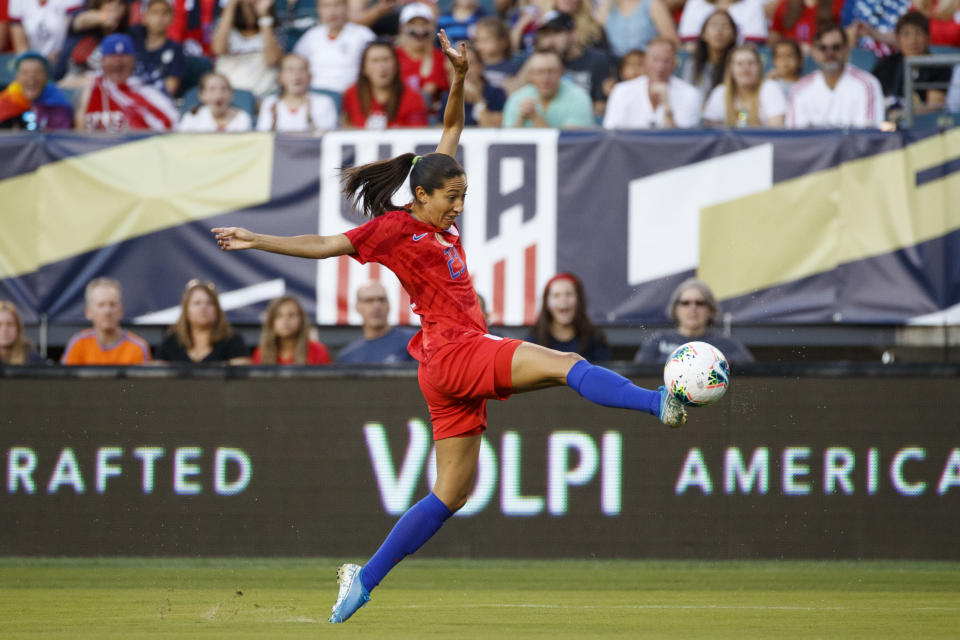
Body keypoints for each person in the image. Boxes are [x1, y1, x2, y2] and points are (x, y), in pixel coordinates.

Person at [212, 29, 687, 625]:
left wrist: (460, 78)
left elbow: (451, 132)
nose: (459, 206)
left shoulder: (435, 206)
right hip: (454, 350)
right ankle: (658, 403)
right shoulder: (390, 229)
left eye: (463, 195)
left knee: (451, 495)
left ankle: (364, 578)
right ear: (422, 194)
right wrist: (258, 238)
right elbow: (323, 243)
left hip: (440, 371)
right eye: (452, 198)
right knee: (566, 365)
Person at [634, 278, 754, 364]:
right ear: (675, 309)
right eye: (685, 303)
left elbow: (750, 379)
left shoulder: (728, 345)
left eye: (700, 303)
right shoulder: (656, 342)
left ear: (711, 310)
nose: (693, 308)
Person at [787, 23, 885, 128]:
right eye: (822, 48)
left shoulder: (867, 84)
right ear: (813, 52)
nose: (830, 53)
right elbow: (796, 138)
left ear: (847, 49)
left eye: (836, 47)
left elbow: (867, 137)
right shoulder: (799, 89)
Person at [74, 32, 178, 131]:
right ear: (102, 60)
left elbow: (170, 124)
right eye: (112, 56)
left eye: (123, 56)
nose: (118, 61)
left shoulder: (146, 92)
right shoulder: (90, 86)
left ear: (133, 60)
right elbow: (78, 130)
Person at [603, 37, 702, 128]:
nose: (660, 67)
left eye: (666, 61)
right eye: (655, 60)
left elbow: (685, 140)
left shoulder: (690, 94)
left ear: (674, 64)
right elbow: (611, 134)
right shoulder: (622, 91)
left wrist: (666, 105)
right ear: (645, 62)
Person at [534, 10, 616, 117]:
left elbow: (601, 106)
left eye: (556, 33)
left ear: (573, 34)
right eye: (546, 35)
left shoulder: (597, 60)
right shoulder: (542, 62)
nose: (550, 41)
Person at [871, 11, 951, 120]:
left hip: (924, 128)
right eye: (906, 34)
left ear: (928, 38)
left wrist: (903, 114)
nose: (913, 40)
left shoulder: (939, 67)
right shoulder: (886, 64)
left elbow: (935, 107)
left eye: (918, 33)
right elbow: (873, 97)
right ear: (898, 39)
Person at [154, 279, 251, 364]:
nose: (203, 308)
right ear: (186, 310)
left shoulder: (232, 340)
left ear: (217, 309)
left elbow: (242, 378)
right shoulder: (172, 341)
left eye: (209, 303)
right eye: (197, 303)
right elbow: (156, 377)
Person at [61, 278, 151, 365]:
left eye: (113, 304)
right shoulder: (78, 344)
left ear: (121, 311)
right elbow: (65, 379)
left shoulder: (138, 347)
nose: (107, 311)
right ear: (88, 312)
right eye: (101, 305)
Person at [341, 39, 430, 128]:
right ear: (364, 68)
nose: (381, 67)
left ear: (396, 65)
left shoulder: (413, 98)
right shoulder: (351, 95)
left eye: (386, 60)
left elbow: (417, 134)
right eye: (375, 61)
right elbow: (345, 131)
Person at [293, 0, 375, 94]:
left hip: (351, 95)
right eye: (326, 6)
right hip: (316, 96)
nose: (332, 11)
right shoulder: (311, 36)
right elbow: (296, 62)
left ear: (346, 7)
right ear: (319, 9)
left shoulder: (363, 34)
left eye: (337, 5)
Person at [526, 272, 610, 361]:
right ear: (547, 303)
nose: (563, 300)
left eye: (569, 294)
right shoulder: (533, 342)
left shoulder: (595, 338)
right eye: (556, 295)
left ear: (579, 300)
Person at [501, 49, 594, 128]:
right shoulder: (517, 98)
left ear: (561, 72)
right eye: (539, 72)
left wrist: (535, 117)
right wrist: (520, 119)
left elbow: (569, 144)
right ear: (530, 75)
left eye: (551, 71)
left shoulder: (578, 97)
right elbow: (507, 143)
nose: (545, 78)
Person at [211, 0, 283, 100]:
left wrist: (265, 16)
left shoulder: (272, 28)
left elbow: (273, 59)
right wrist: (231, 5)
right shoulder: (225, 26)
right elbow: (218, 49)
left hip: (262, 97)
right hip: (228, 98)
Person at [702, 44, 787, 126]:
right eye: (739, 64)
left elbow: (776, 128)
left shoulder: (770, 88)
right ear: (731, 69)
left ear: (759, 67)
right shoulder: (721, 91)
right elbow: (710, 130)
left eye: (751, 63)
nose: (745, 69)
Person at [336, 280, 417, 363]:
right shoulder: (348, 356)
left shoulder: (413, 341)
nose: (376, 306)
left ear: (389, 305)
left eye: (381, 300)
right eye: (369, 300)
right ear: (357, 307)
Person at [53, 0, 129, 85]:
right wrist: (105, 17)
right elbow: (80, 21)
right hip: (66, 84)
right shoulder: (86, 28)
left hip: (102, 89)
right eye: (109, 2)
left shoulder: (125, 37)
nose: (114, 7)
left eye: (120, 4)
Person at [257, 53, 339, 131]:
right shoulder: (270, 103)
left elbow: (327, 139)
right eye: (290, 70)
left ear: (309, 76)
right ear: (280, 77)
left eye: (302, 69)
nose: (297, 75)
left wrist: (310, 120)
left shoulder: (324, 102)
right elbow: (261, 139)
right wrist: (273, 123)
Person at [394, 3, 449, 116]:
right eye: (413, 24)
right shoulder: (393, 56)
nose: (419, 30)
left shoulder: (440, 57)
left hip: (430, 118)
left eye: (424, 24)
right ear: (401, 28)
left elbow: (432, 89)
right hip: (398, 115)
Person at [0, 51, 73, 129]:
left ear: (46, 77)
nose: (31, 77)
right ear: (17, 78)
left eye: (37, 72)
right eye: (25, 73)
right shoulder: (7, 101)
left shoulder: (57, 105)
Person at [438, 41, 505, 126]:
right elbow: (443, 133)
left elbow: (493, 130)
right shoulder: (447, 98)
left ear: (480, 67)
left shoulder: (496, 94)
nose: (464, 70)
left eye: (470, 63)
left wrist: (478, 101)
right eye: (458, 65)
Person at [252, 296, 332, 364]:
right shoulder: (260, 354)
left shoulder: (318, 351)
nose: (285, 320)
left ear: (301, 320)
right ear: (271, 321)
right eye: (279, 316)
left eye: (291, 315)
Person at [680, 8, 738, 103]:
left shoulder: (738, 65)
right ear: (703, 34)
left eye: (725, 26)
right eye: (714, 25)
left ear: (733, 35)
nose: (719, 31)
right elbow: (686, 98)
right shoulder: (692, 65)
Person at [130, 0, 185, 97]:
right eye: (154, 13)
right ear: (144, 16)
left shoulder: (176, 49)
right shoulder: (133, 39)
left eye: (165, 13)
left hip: (158, 104)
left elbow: (171, 88)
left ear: (172, 17)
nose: (159, 18)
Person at [596, 0, 679, 57]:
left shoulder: (652, 4)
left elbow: (673, 43)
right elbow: (594, 35)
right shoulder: (607, 5)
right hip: (616, 68)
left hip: (646, 68)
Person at [8, 0, 83, 62]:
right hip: (34, 63)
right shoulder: (17, 2)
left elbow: (71, 35)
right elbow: (21, 46)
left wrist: (53, 59)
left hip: (65, 59)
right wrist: (30, 63)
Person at [178, 71, 253, 132]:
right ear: (201, 95)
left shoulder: (242, 118)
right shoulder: (191, 118)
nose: (218, 94)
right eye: (212, 89)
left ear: (232, 94)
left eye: (224, 89)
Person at [678, 0, 767, 46]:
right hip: (702, 62)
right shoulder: (696, 2)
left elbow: (752, 45)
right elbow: (689, 45)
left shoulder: (752, 4)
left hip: (737, 62)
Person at [768, 0, 844, 53]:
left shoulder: (837, 3)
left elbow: (842, 39)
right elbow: (774, 38)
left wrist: (814, 50)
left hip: (824, 59)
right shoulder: (784, 6)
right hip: (790, 62)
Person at [471, 15, 522, 93]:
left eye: (485, 40)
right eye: (477, 40)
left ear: (503, 42)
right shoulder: (476, 66)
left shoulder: (513, 68)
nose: (480, 45)